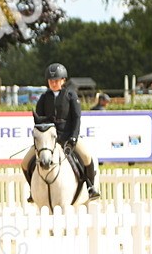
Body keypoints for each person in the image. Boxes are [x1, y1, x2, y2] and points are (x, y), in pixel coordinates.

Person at [21, 63, 101, 201]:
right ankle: (32, 190)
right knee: (25, 162)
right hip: (48, 141)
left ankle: (90, 187)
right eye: (51, 81)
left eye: (56, 80)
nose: (53, 83)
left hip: (67, 137)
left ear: (63, 80)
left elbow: (76, 118)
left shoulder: (70, 95)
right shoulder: (44, 98)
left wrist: (74, 137)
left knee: (87, 157)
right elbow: (39, 121)